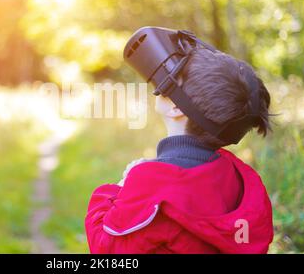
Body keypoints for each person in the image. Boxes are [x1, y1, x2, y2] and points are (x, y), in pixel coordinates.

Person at [84, 48, 274, 253]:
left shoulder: (149, 181)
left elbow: (107, 248)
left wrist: (119, 189)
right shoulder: (238, 177)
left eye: (173, 77)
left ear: (176, 107)